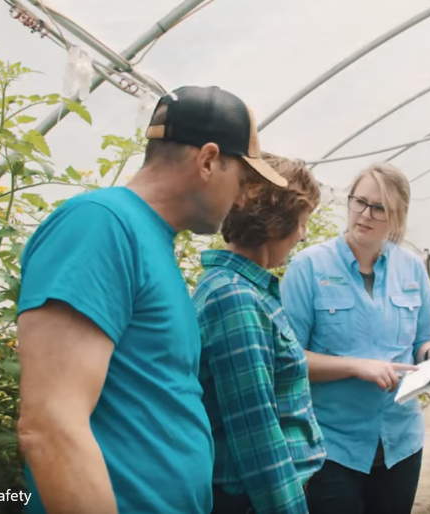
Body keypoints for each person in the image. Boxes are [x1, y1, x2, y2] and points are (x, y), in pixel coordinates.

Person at [14, 85, 287, 514]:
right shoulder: (99, 226)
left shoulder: (151, 240)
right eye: (242, 179)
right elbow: (51, 425)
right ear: (209, 161)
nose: (240, 199)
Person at [280, 163, 430, 514]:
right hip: (331, 445)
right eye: (358, 202)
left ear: (396, 217)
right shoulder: (309, 268)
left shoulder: (411, 268)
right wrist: (354, 366)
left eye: (379, 208)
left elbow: (423, 339)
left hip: (400, 442)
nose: (364, 215)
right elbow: (287, 359)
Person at [193, 153, 326, 514]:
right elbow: (257, 436)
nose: (304, 234)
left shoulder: (242, 289)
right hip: (250, 501)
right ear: (273, 223)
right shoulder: (235, 298)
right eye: (302, 221)